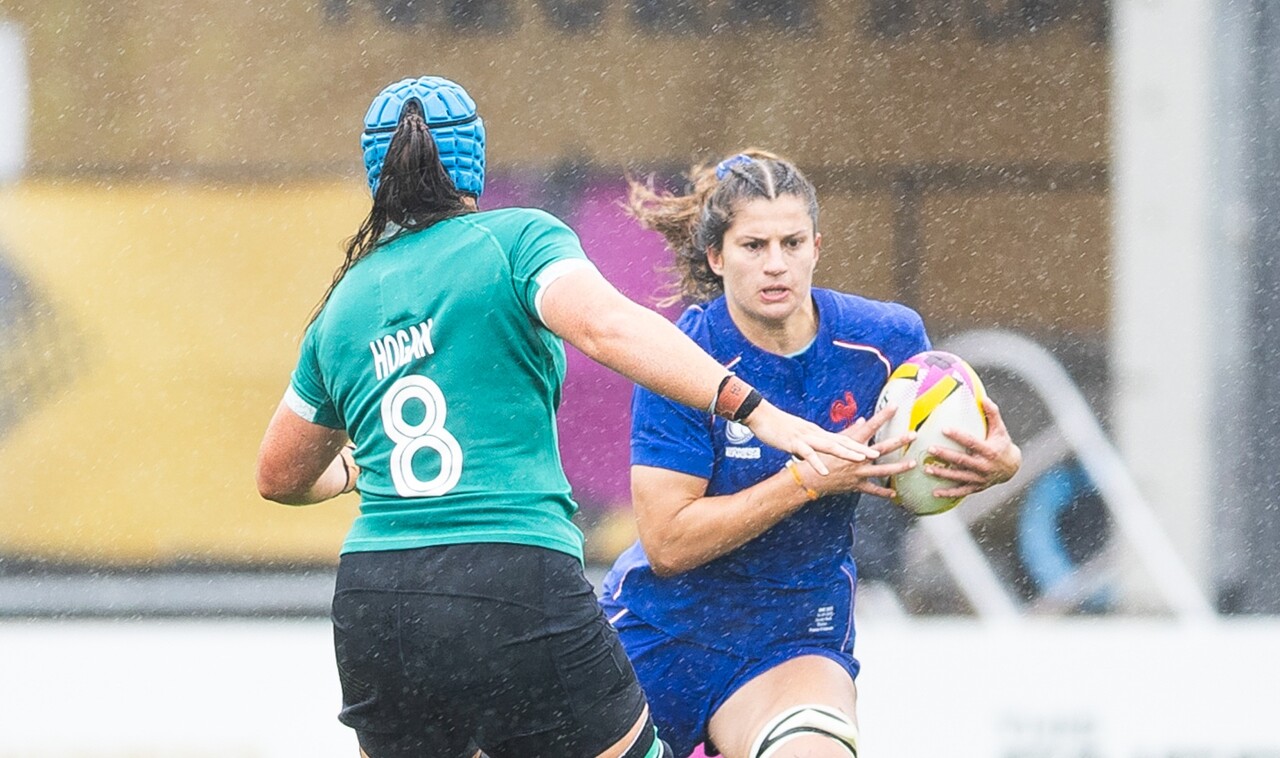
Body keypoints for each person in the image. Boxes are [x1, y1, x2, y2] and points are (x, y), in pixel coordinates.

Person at [255, 79, 875, 758]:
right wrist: (758, 412)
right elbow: (608, 329)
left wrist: (356, 472)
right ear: (473, 163)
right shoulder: (514, 239)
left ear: (376, 175)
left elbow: (279, 474)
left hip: (378, 601)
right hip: (509, 577)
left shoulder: (344, 303)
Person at [600, 149, 1022, 758]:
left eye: (792, 243)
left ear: (817, 248)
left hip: (795, 637)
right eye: (754, 246)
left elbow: (916, 477)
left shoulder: (887, 341)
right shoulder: (682, 359)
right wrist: (808, 479)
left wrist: (992, 467)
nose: (777, 265)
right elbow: (668, 544)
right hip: (658, 633)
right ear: (716, 257)